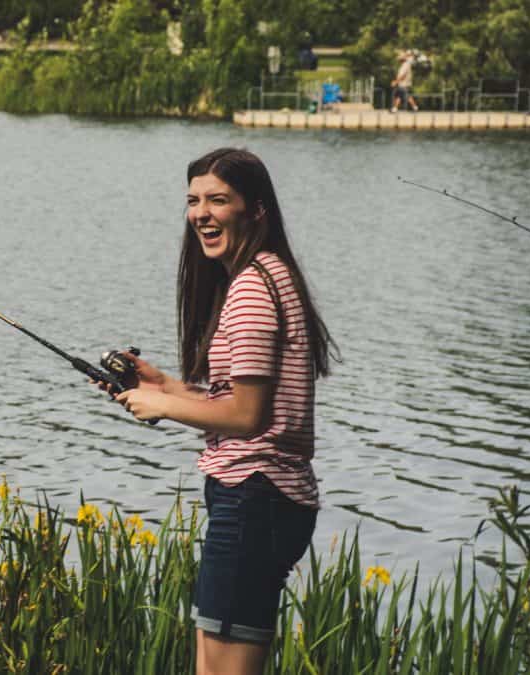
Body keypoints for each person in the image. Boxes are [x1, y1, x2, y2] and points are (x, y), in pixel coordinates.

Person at [106, 148, 338, 674]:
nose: (201, 214)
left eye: (218, 200)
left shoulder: (253, 289)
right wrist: (164, 384)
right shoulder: (269, 274)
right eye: (193, 201)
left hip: (254, 500)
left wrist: (162, 405)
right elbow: (240, 403)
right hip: (263, 499)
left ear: (256, 210)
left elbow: (249, 417)